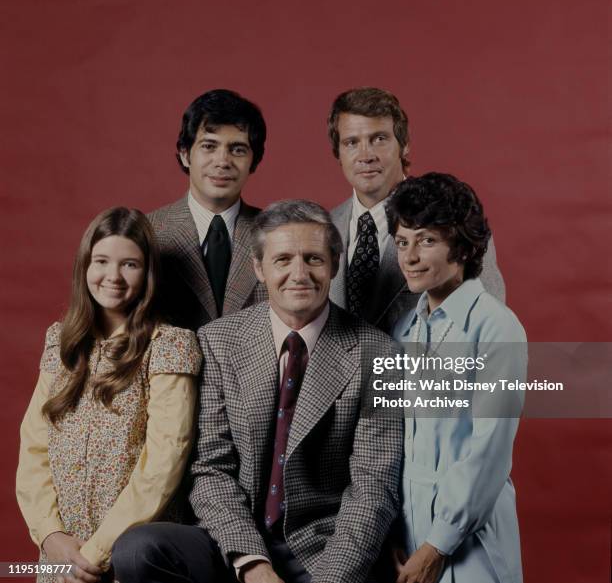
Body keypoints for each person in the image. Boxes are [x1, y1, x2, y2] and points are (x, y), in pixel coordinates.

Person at [112, 200, 403, 583]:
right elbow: (210, 467)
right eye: (282, 259)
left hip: (325, 548)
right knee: (137, 550)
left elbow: (372, 486)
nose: (299, 274)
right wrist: (252, 564)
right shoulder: (218, 341)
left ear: (334, 265)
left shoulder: (379, 353)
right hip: (236, 539)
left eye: (313, 259)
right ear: (259, 268)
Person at [16, 207, 202, 583]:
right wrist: (51, 536)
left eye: (130, 264)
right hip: (60, 556)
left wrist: (94, 553)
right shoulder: (62, 341)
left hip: (127, 555)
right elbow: (33, 446)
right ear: (85, 266)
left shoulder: (169, 345)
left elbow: (164, 462)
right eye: (101, 261)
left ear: (147, 272)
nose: (113, 277)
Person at [387, 173, 526, 583]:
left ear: (463, 247)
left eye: (427, 240)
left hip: (470, 544)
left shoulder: (496, 327)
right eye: (402, 242)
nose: (410, 256)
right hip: (411, 539)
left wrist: (437, 546)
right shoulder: (405, 330)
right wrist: (400, 532)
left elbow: (490, 452)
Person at [326, 87, 506, 333]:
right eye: (351, 143)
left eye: (379, 139)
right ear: (338, 153)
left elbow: (488, 324)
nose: (365, 155)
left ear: (404, 145)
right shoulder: (323, 227)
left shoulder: (451, 215)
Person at [150, 88, 268, 331]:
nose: (222, 161)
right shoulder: (148, 233)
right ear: (185, 154)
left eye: (237, 149)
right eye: (209, 146)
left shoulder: (276, 233)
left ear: (253, 162)